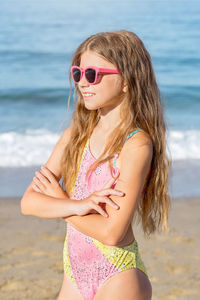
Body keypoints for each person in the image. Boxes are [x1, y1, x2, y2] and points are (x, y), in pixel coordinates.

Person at [21, 30, 170, 300]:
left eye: (92, 74)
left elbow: (111, 233)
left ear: (126, 79)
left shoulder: (135, 145)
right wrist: (77, 205)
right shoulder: (74, 137)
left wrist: (61, 204)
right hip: (74, 273)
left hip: (117, 274)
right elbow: (29, 202)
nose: (83, 83)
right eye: (77, 73)